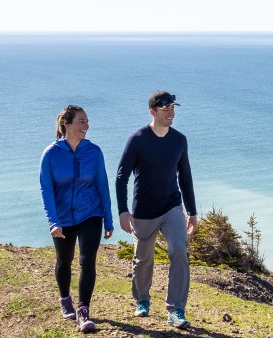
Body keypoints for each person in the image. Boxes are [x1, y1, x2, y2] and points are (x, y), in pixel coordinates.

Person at [116, 90, 197, 329]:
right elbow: (122, 177)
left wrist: (192, 212)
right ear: (152, 111)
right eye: (165, 109)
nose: (171, 112)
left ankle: (176, 309)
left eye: (173, 108)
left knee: (179, 252)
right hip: (144, 210)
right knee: (143, 259)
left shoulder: (179, 140)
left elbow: (186, 177)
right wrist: (122, 210)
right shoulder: (138, 139)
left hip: (172, 206)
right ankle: (142, 300)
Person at [39, 104, 114, 333]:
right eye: (81, 121)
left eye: (87, 121)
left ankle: (83, 311)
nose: (86, 125)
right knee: (64, 260)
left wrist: (108, 219)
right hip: (62, 216)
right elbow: (46, 189)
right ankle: (65, 300)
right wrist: (53, 222)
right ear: (67, 124)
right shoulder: (51, 154)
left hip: (91, 212)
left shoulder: (94, 152)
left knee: (87, 260)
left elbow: (103, 185)